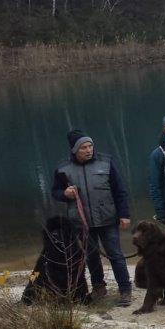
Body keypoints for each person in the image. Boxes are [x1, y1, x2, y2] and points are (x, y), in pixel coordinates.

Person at [50, 129, 133, 306]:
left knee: (115, 254)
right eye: (84, 148)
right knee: (91, 256)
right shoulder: (63, 168)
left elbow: (120, 191)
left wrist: (124, 214)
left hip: (108, 218)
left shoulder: (106, 162)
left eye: (90, 146)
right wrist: (65, 193)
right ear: (74, 150)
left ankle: (125, 289)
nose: (89, 150)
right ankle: (98, 287)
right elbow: (54, 192)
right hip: (81, 222)